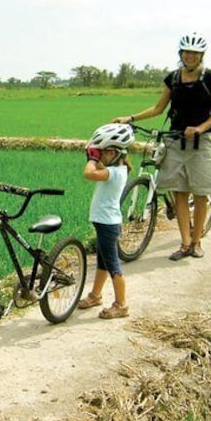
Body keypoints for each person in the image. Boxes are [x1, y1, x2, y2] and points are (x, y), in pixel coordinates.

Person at [113, 31, 211, 261]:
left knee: (202, 194)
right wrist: (131, 118)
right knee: (179, 193)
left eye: (195, 53)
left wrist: (200, 127)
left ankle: (197, 242)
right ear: (181, 54)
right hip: (175, 141)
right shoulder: (173, 79)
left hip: (201, 143)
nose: (190, 56)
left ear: (201, 55)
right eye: (187, 52)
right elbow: (157, 109)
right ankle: (185, 244)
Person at [77, 123, 134, 319]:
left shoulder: (115, 173)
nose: (100, 156)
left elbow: (88, 173)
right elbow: (100, 169)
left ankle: (121, 304)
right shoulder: (117, 169)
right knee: (102, 262)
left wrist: (92, 159)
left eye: (103, 152)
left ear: (114, 153)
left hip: (108, 225)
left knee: (112, 265)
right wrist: (97, 159)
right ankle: (95, 295)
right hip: (104, 223)